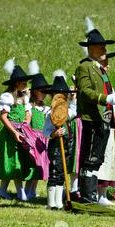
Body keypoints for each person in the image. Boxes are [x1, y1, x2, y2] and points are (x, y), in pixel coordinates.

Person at [75, 17, 115, 203]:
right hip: (92, 117)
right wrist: (106, 99)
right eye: (101, 46)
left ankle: (92, 193)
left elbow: (105, 90)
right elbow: (86, 92)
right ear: (91, 48)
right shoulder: (84, 67)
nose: (104, 49)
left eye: (104, 46)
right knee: (90, 157)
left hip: (103, 117)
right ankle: (87, 195)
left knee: (97, 158)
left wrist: (113, 100)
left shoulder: (101, 70)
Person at [0, 59, 33, 200]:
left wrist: (25, 124)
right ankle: (21, 193)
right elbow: (3, 117)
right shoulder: (8, 96)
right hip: (10, 134)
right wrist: (14, 131)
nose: (25, 85)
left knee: (19, 162)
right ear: (16, 83)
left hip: (21, 132)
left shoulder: (24, 97)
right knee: (13, 162)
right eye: (23, 82)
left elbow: (28, 113)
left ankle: (2, 192)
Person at [43, 70, 78, 210]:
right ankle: (51, 202)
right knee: (55, 172)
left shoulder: (68, 111)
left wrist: (74, 97)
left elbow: (75, 110)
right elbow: (45, 132)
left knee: (63, 173)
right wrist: (54, 133)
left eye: (64, 95)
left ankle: (59, 201)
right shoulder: (49, 114)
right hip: (56, 146)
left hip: (67, 144)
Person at [97, 53, 115, 206]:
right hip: (103, 122)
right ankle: (97, 194)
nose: (108, 64)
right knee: (101, 159)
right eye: (105, 60)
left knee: (109, 159)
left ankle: (103, 194)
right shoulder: (97, 79)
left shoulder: (106, 79)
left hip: (110, 123)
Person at [24, 60, 51, 198]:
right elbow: (27, 124)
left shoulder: (45, 109)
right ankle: (27, 191)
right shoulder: (30, 107)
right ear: (35, 92)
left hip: (43, 140)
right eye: (42, 91)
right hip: (33, 140)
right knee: (32, 166)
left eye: (46, 91)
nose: (44, 94)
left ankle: (32, 191)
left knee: (40, 167)